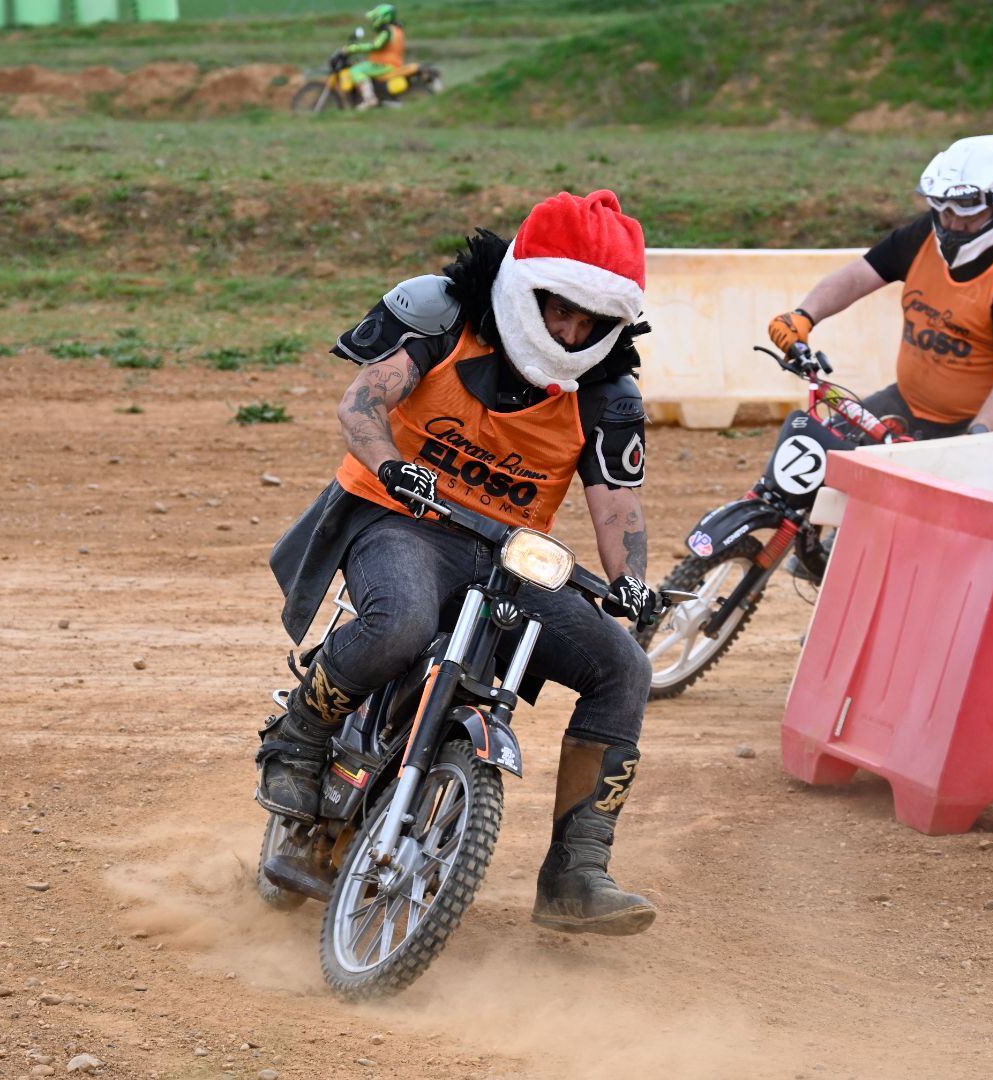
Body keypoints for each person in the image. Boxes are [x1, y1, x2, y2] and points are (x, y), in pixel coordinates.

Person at [262, 190, 662, 935]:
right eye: (556, 308)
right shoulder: (442, 315)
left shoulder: (608, 392)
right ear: (525, 286)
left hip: (509, 555)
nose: (572, 330)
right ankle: (300, 734)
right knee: (401, 623)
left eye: (591, 319)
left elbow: (616, 503)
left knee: (624, 669)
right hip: (401, 518)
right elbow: (360, 405)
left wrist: (632, 580)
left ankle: (576, 871)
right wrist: (391, 467)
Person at [768, 134, 993, 440]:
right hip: (915, 406)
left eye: (967, 211)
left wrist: (977, 440)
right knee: (816, 444)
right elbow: (859, 275)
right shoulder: (924, 234)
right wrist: (805, 315)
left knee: (920, 485)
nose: (953, 223)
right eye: (946, 210)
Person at [342, 3, 406, 111]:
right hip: (391, 63)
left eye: (375, 18)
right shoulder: (397, 30)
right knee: (363, 65)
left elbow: (376, 46)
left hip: (384, 64)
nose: (373, 21)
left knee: (356, 70)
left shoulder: (387, 32)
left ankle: (369, 99)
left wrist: (354, 48)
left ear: (382, 18)